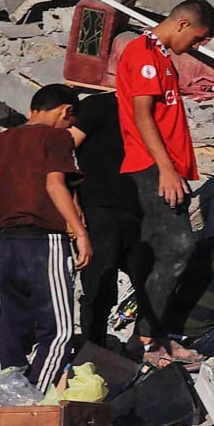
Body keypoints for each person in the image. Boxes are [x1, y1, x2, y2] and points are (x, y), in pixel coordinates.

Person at [0, 84, 91, 388]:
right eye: (70, 121)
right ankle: (34, 402)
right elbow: (55, 186)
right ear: (66, 111)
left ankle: (11, 396)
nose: (69, 126)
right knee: (59, 332)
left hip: (7, 245)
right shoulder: (57, 137)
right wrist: (79, 232)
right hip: (44, 243)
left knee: (14, 328)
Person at [118, 0, 214, 363]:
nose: (196, 47)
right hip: (151, 168)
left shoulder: (160, 57)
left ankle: (157, 333)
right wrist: (164, 168)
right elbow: (142, 115)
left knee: (171, 253)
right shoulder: (143, 54)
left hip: (165, 168)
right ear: (181, 23)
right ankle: (145, 338)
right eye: (197, 38)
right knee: (178, 249)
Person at [72, 88, 148, 349]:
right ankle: (92, 349)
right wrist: (71, 199)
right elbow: (64, 148)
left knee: (149, 279)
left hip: (140, 209)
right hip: (98, 206)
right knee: (98, 284)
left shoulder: (150, 111)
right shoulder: (99, 105)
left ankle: (141, 343)